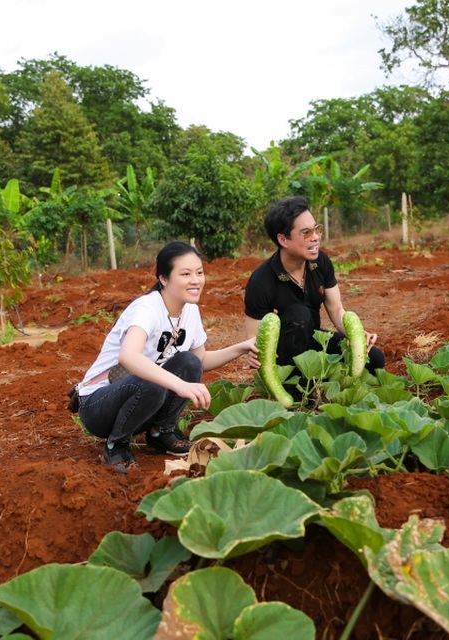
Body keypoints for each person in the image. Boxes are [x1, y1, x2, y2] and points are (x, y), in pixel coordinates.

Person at [68, 241, 257, 473]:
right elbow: (128, 356)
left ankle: (161, 432)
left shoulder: (190, 310)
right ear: (164, 279)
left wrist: (242, 347)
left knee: (189, 362)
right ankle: (115, 445)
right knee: (151, 380)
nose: (196, 280)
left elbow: (201, 360)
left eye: (199, 273)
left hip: (140, 400)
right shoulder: (147, 308)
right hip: (98, 406)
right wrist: (180, 385)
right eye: (185, 274)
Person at [244, 195, 385, 380]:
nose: (316, 237)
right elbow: (255, 339)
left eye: (316, 229)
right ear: (283, 239)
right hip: (283, 355)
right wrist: (256, 356)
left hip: (312, 339)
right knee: (299, 314)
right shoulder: (261, 282)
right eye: (306, 232)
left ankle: (318, 380)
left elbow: (336, 310)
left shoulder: (321, 262)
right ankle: (294, 387)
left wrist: (357, 335)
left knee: (374, 359)